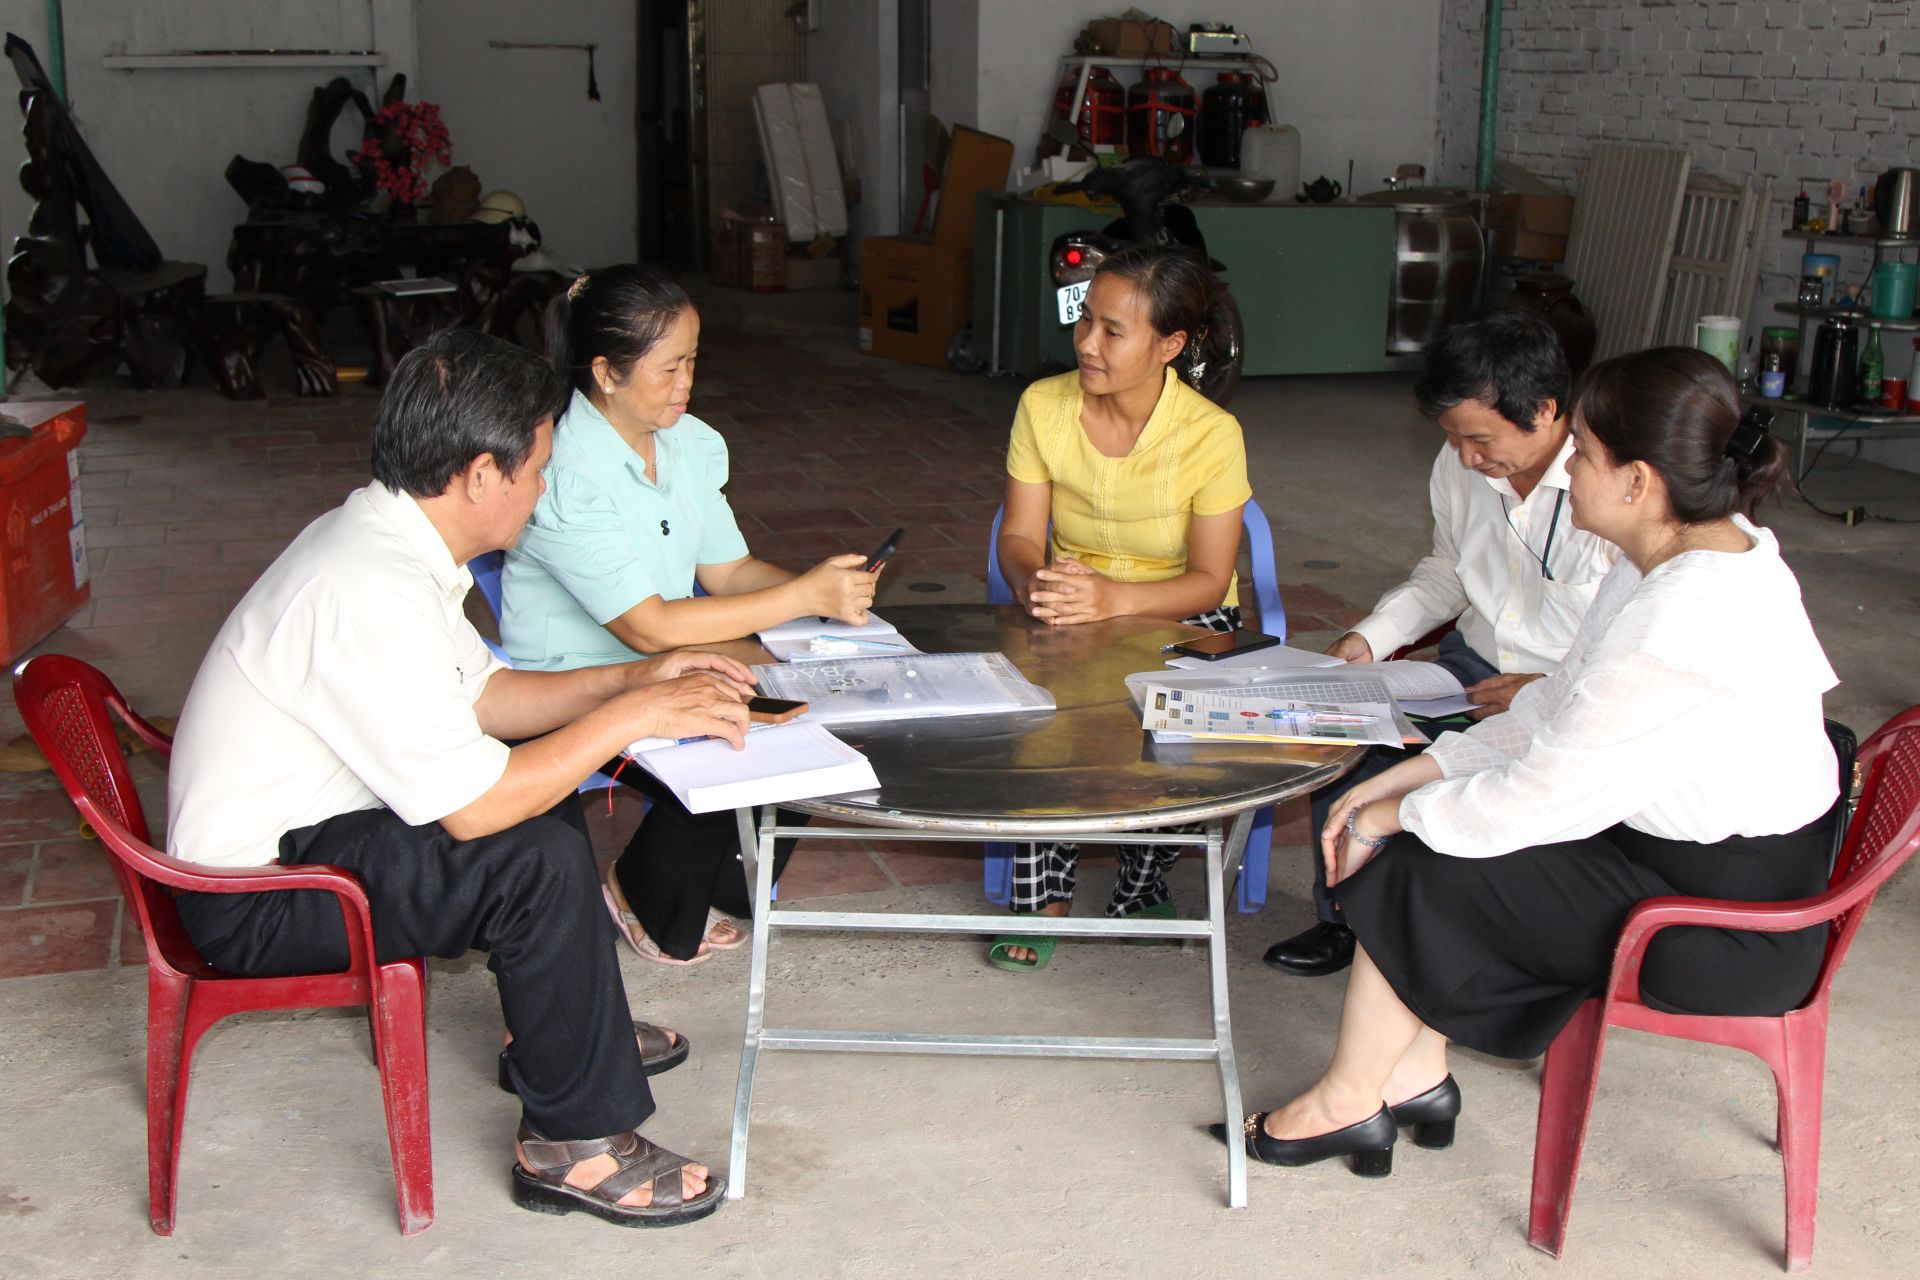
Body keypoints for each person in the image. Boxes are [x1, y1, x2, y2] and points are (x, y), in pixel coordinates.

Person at [166, 329, 752, 1227]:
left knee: (547, 784)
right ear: (482, 475)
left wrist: (635, 678)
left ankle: (558, 1036)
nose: (544, 488)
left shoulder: (389, 542)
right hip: (257, 897)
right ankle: (572, 1145)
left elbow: (487, 697)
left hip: (306, 839)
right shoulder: (368, 585)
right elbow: (478, 811)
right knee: (529, 857)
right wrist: (633, 717)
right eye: (539, 468)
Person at [1216, 347, 1840, 1176]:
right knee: (1433, 836)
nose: (1568, 467)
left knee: (1426, 861)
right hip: (1695, 859)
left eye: (1585, 452)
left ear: (1637, 482)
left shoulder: (1679, 619)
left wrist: (1392, 813)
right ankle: (1410, 1075)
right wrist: (1418, 774)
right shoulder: (1691, 555)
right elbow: (1555, 709)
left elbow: (1540, 795)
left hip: (1723, 925)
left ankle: (1350, 1100)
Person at [500, 266, 879, 964]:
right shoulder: (563, 468)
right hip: (573, 681)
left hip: (668, 656)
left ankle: (723, 887)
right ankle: (641, 888)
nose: (686, 383)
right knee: (741, 729)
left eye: (694, 361)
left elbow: (728, 571)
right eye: (669, 367)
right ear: (606, 373)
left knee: (823, 710)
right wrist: (803, 599)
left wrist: (826, 591)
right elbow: (645, 626)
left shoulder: (685, 443)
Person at [1264, 310, 1618, 979]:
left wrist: (1544, 691)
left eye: (1479, 438)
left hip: (1567, 691)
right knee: (1345, 742)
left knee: (1478, 797)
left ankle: (1453, 943)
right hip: (1470, 673)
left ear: (1546, 410)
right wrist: (1371, 638)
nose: (1465, 457)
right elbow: (1448, 570)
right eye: (1452, 437)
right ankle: (1343, 918)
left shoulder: (1609, 488)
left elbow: (1630, 645)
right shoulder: (1460, 465)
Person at [990, 243, 1252, 970]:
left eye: (1113, 331)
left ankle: (1141, 886)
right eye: (1085, 321)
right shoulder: (1043, 406)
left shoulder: (1210, 435)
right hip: (1072, 600)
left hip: (1182, 613)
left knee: (1178, 723)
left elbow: (1210, 579)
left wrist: (1115, 601)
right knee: (1041, 711)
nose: (1086, 343)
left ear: (1169, 345)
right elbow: (1018, 537)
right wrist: (1035, 583)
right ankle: (1044, 894)